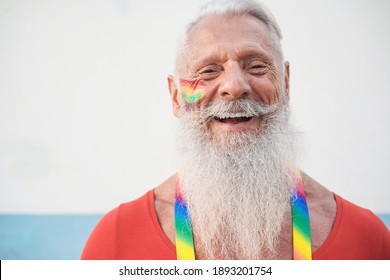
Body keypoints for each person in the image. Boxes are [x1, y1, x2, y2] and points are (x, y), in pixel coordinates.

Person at [81, 0, 390, 260]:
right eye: (208, 71)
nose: (235, 86)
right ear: (176, 96)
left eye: (256, 66)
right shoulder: (115, 241)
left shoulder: (367, 239)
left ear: (285, 83)